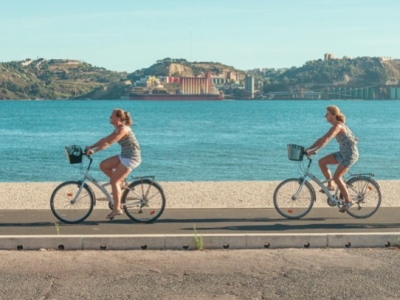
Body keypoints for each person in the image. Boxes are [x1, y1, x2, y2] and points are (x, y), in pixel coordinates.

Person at [86, 108, 141, 219]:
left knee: (114, 181)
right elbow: (105, 140)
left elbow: (110, 142)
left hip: (131, 158)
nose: (110, 117)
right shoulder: (117, 129)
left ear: (118, 118)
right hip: (124, 156)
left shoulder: (123, 130)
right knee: (103, 165)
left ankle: (117, 209)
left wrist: (94, 151)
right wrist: (91, 147)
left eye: (111, 116)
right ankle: (120, 184)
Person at [305, 105, 359, 213]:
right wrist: (309, 148)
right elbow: (322, 138)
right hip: (343, 153)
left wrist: (316, 150)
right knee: (322, 162)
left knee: (337, 177)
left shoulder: (338, 126)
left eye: (327, 114)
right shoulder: (334, 126)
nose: (325, 116)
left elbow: (327, 139)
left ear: (334, 115)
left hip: (350, 154)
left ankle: (348, 201)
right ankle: (331, 186)